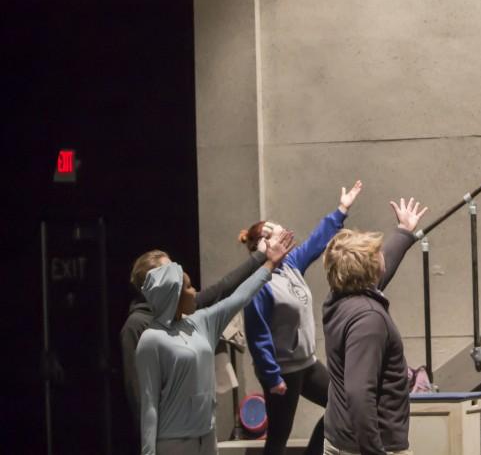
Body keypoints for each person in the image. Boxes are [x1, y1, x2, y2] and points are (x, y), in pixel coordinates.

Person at [135, 230, 295, 455]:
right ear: (174, 295)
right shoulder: (151, 339)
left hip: (207, 435)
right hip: (174, 442)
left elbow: (239, 297)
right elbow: (149, 403)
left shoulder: (201, 322)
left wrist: (269, 264)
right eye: (189, 287)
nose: (195, 291)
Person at [242, 180, 363, 455]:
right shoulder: (258, 282)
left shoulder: (290, 265)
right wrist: (272, 377)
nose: (282, 233)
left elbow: (316, 242)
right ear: (261, 246)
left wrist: (341, 210)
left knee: (341, 405)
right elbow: (257, 335)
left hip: (306, 363)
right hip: (283, 370)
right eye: (273, 233)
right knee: (278, 438)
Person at [122, 243, 272, 431]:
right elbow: (139, 394)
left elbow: (222, 289)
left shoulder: (179, 312)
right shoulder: (137, 326)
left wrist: (262, 256)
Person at [321, 197, 429, 455]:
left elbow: (379, 273)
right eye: (376, 254)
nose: (382, 255)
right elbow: (359, 392)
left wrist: (403, 231)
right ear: (369, 269)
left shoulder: (339, 299)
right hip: (367, 447)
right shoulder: (368, 319)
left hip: (345, 441)